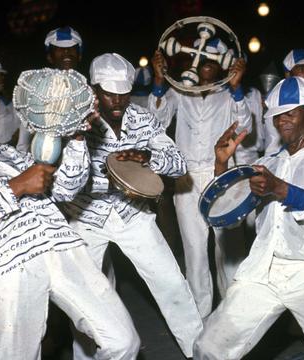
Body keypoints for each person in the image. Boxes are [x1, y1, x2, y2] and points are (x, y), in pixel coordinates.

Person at [0, 70, 140, 360]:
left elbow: (67, 188)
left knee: (123, 342)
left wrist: (78, 139)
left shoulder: (0, 152)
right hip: (8, 265)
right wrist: (17, 186)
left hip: (62, 247)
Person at [194, 76, 304, 360]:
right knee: (209, 347)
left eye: (290, 113)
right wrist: (222, 165)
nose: (282, 121)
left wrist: (281, 189)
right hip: (263, 271)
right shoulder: (267, 163)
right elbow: (229, 218)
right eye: (277, 115)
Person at [63, 53, 203, 359]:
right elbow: (62, 184)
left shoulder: (142, 118)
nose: (117, 101)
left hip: (132, 215)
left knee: (172, 285)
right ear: (93, 90)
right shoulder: (75, 122)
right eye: (109, 93)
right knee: (88, 301)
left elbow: (179, 165)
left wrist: (148, 157)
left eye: (123, 93)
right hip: (86, 218)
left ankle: (199, 353)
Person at [149, 39, 252, 317]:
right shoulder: (181, 92)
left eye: (213, 57)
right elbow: (157, 119)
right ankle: (201, 320)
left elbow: (246, 126)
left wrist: (236, 88)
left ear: (222, 64)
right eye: (201, 55)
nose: (206, 62)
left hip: (221, 174)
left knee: (228, 248)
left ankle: (233, 316)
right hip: (187, 179)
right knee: (194, 251)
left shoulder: (229, 94)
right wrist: (159, 81)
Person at [17, 26, 84, 152]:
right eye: (60, 49)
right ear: (49, 57)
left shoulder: (89, 95)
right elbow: (23, 145)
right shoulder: (36, 93)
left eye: (72, 48)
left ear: (79, 55)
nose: (66, 52)